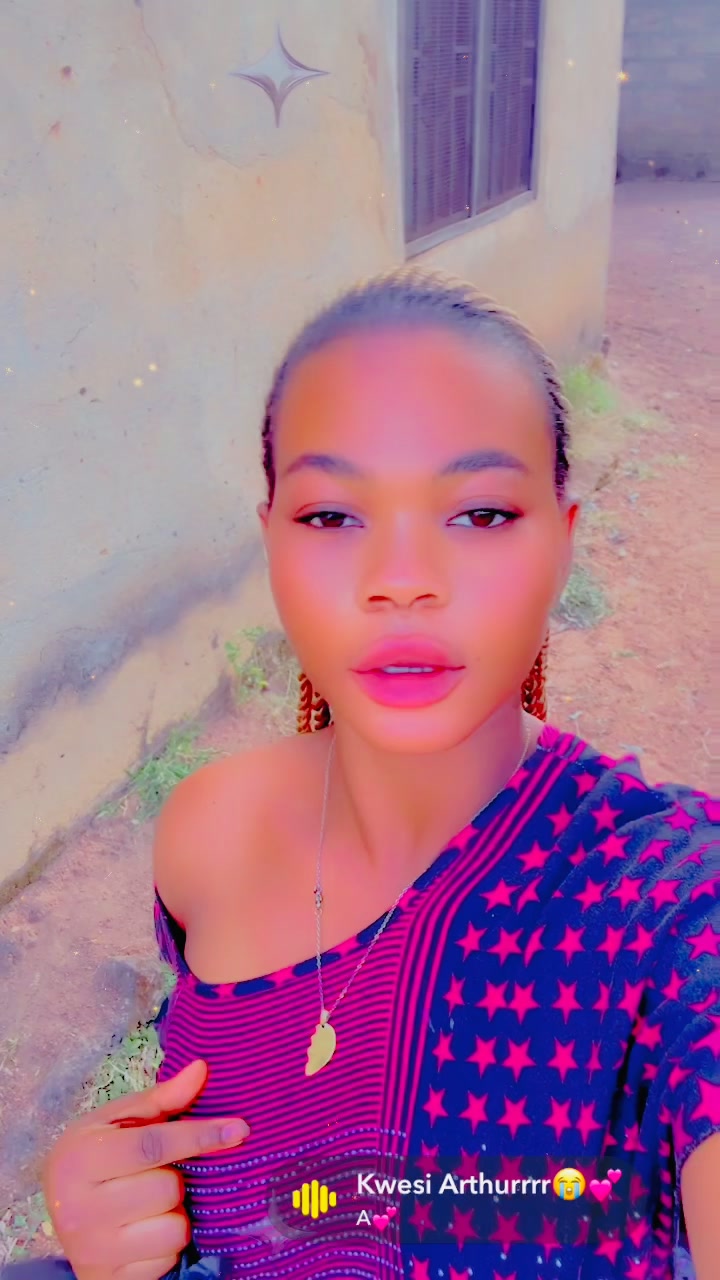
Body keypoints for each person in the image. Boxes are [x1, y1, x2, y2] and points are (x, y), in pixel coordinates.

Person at [12, 269, 719, 1280]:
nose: (400, 579)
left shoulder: (666, 901)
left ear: (562, 544)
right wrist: (113, 1203)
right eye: (332, 516)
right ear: (271, 540)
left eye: (480, 513)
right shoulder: (207, 833)